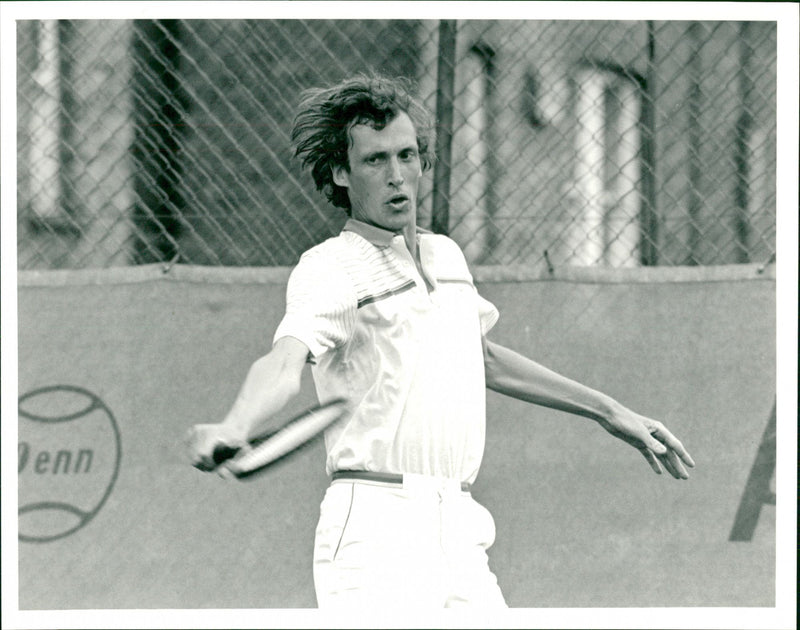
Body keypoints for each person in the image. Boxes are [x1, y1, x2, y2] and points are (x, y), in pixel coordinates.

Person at [186, 73, 695, 610]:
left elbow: (482, 358)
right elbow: (285, 360)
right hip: (376, 530)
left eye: (407, 156)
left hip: (460, 524)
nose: (397, 176)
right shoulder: (331, 268)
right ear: (340, 172)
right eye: (375, 160)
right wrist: (236, 425)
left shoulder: (446, 256)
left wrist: (608, 411)